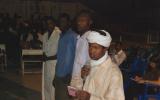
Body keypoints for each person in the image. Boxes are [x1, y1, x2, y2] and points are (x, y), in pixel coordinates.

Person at [75, 30, 125, 100]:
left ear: (105, 49)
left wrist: (90, 98)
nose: (91, 50)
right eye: (90, 46)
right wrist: (81, 78)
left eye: (96, 47)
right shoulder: (89, 64)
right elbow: (80, 88)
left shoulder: (114, 72)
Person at [53, 13, 77, 100]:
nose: (61, 24)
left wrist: (71, 75)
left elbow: (77, 58)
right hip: (59, 77)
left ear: (69, 23)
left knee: (70, 97)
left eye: (64, 22)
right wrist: (55, 76)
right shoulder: (61, 36)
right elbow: (60, 58)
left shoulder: (74, 36)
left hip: (69, 78)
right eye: (60, 22)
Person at [70, 10, 93, 90]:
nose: (79, 23)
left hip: (83, 82)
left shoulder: (90, 39)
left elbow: (90, 62)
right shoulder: (79, 38)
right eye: (78, 21)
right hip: (75, 79)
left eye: (82, 21)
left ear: (90, 22)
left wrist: (85, 82)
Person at [42, 17, 61, 100]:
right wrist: (43, 55)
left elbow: (60, 53)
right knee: (46, 85)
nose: (49, 25)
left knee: (53, 87)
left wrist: (48, 57)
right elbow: (44, 49)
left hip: (54, 64)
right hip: (46, 64)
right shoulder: (45, 35)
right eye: (47, 23)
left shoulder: (59, 34)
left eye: (50, 23)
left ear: (54, 23)